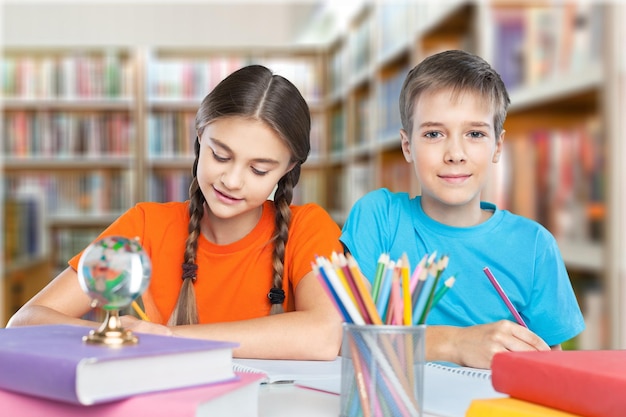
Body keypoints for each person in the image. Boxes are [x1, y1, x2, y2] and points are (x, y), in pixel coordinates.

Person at [8, 65, 344, 361]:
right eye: (221, 156)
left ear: (288, 169)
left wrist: (166, 339)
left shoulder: (308, 227)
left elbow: (326, 335)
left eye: (258, 170)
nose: (232, 180)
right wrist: (120, 333)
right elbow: (26, 322)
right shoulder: (146, 224)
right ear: (200, 137)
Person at [340, 50, 585, 369]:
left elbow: (552, 369)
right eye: (433, 134)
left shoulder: (535, 245)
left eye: (475, 134)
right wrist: (455, 343)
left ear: (497, 146)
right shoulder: (378, 218)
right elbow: (344, 339)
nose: (455, 153)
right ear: (407, 146)